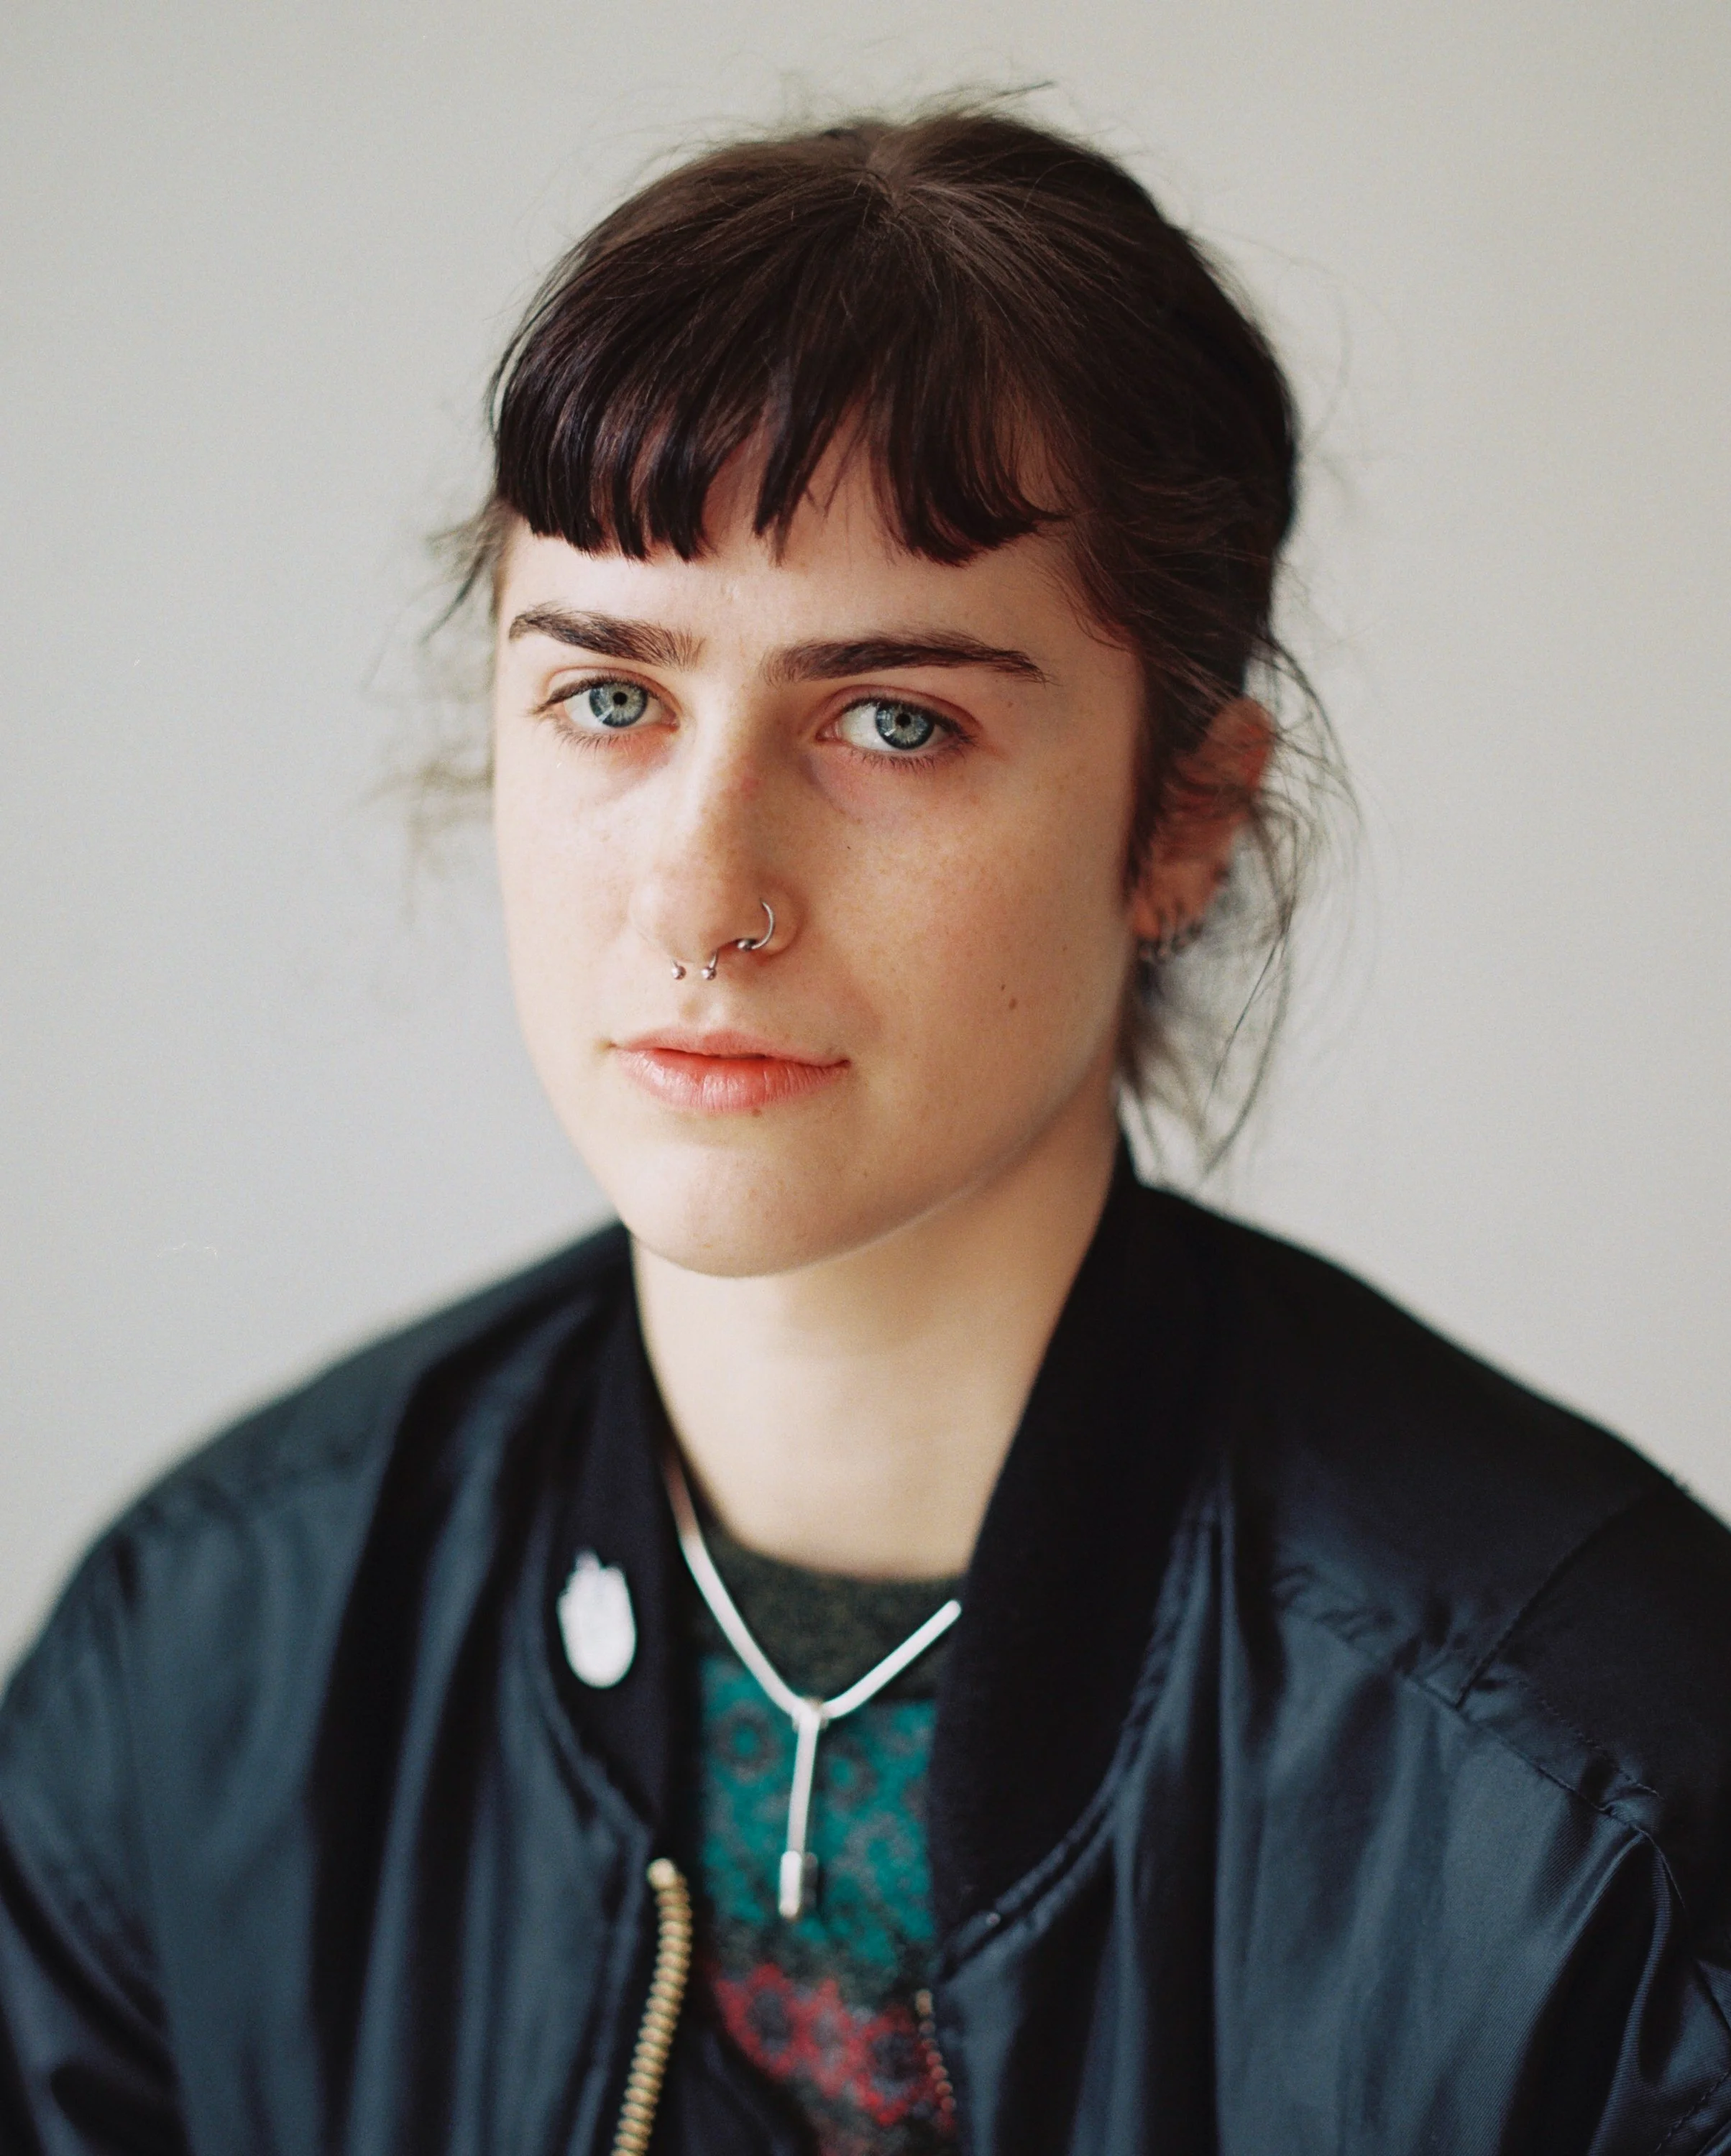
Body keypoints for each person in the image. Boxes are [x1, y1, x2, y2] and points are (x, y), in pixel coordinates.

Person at [2, 106, 1728, 2156]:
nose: (704, 893)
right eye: (611, 700)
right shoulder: (198, 1677)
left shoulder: (1590, 1801)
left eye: (893, 720)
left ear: (1184, 816)